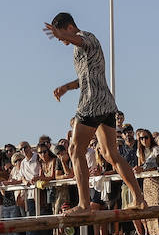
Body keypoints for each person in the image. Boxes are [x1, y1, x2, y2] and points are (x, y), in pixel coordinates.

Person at [44, 12, 145, 217]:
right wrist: (66, 87)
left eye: (62, 36)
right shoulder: (77, 51)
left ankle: (83, 204)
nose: (62, 41)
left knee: (74, 150)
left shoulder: (87, 38)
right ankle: (139, 199)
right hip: (106, 104)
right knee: (110, 154)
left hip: (92, 103)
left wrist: (62, 35)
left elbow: (78, 40)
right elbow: (85, 77)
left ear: (70, 27)